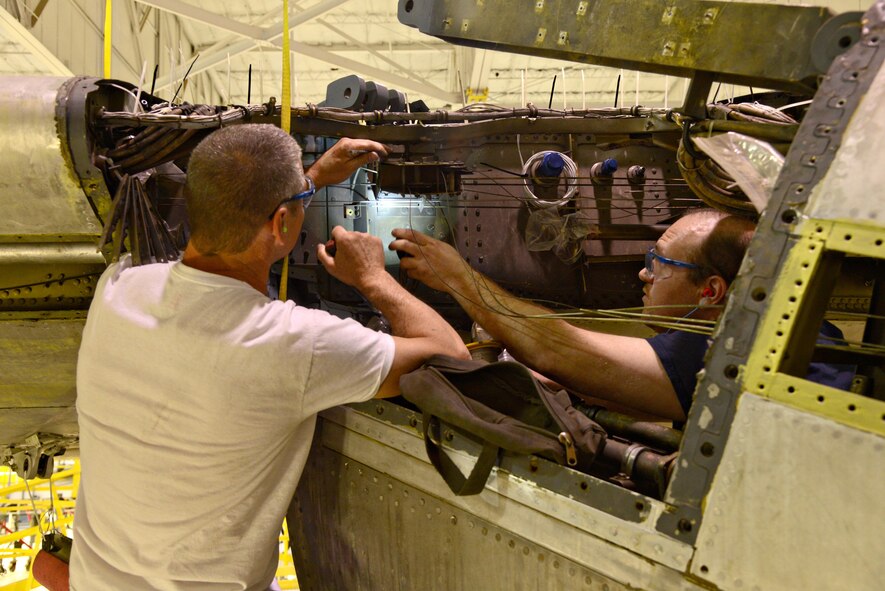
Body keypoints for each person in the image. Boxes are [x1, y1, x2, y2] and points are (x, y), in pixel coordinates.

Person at [71, 124, 468, 590]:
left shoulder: (119, 288)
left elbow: (224, 251)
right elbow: (451, 356)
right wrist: (373, 278)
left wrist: (310, 180)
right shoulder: (294, 345)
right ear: (282, 222)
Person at [389, 209, 854, 422]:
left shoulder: (722, 345)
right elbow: (659, 396)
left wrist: (458, 279)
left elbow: (555, 346)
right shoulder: (801, 330)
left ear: (711, 291)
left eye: (660, 263)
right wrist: (577, 383)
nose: (643, 273)